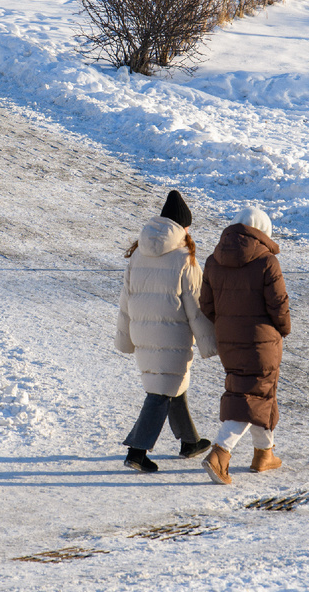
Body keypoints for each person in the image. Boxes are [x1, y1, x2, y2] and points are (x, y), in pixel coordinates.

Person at [116, 189, 218, 473]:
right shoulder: (184, 258)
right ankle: (136, 451)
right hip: (171, 336)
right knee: (161, 393)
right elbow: (196, 307)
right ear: (182, 227)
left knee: (172, 385)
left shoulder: (137, 254)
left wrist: (125, 338)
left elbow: (126, 301)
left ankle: (190, 442)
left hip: (143, 335)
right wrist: (210, 343)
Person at [198, 206, 290, 485]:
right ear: (263, 232)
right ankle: (220, 452)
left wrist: (226, 325)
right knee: (251, 395)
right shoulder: (266, 261)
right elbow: (279, 304)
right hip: (261, 341)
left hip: (229, 341)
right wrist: (284, 328)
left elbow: (206, 304)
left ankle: (264, 454)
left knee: (256, 393)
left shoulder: (214, 260)